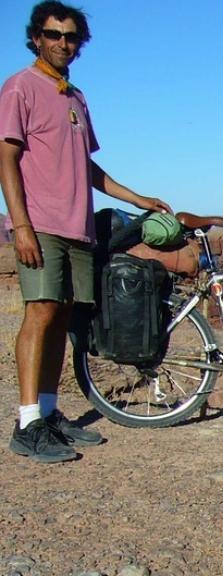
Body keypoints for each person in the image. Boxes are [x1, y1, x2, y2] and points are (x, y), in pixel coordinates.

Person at [0, 1, 172, 463]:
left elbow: (86, 165)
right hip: (41, 223)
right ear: (36, 38)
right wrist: (21, 225)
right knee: (40, 313)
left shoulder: (75, 97)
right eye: (53, 34)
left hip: (77, 227)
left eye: (71, 36)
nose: (63, 43)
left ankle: (49, 412)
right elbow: (6, 158)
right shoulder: (19, 87)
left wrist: (137, 198)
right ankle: (27, 424)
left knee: (62, 317)